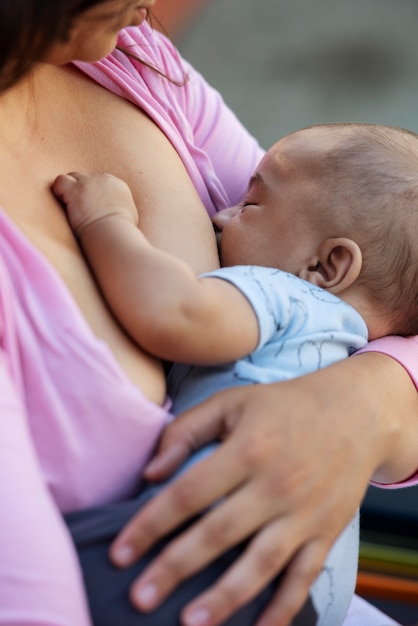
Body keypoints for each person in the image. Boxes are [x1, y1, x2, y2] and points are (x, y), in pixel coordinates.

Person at [0, 2, 417, 626]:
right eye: (244, 200)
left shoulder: (132, 60)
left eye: (246, 205)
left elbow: (174, 310)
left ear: (331, 267)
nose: (221, 214)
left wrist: (362, 406)